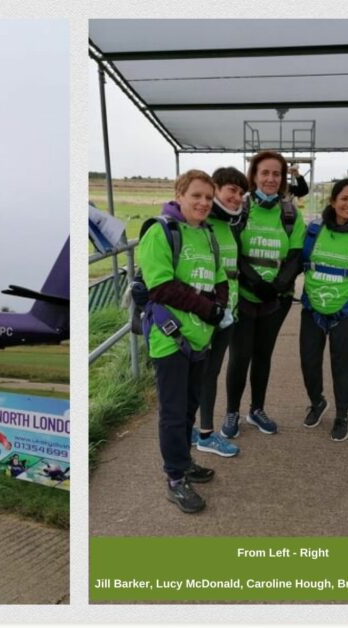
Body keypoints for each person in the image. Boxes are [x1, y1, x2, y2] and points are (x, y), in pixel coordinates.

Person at [137, 169, 231, 513]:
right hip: (171, 339)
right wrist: (209, 309)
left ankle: (184, 460)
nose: (204, 203)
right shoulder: (160, 232)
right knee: (174, 414)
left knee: (190, 407)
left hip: (200, 338)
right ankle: (175, 478)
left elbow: (220, 277)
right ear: (180, 194)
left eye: (209, 197)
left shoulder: (206, 235)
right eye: (197, 195)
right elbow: (160, 286)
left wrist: (220, 303)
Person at [222, 150, 305, 439]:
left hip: (276, 301)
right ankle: (232, 411)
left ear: (283, 179)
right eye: (265, 173)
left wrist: (279, 285)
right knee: (240, 355)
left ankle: (257, 409)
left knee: (263, 355)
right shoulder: (240, 209)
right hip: (243, 296)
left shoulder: (291, 213)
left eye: (277, 174)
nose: (271, 179)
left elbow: (296, 255)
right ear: (254, 176)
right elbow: (231, 250)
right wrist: (255, 282)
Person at [299, 179, 348, 442]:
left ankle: (342, 414)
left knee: (343, 367)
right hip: (312, 309)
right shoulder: (313, 230)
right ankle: (317, 401)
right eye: (344, 198)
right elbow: (300, 262)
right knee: (309, 362)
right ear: (333, 201)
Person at [193, 166, 246, 458]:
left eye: (241, 193)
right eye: (232, 190)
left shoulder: (229, 224)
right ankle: (205, 434)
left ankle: (198, 428)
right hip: (206, 314)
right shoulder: (202, 221)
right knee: (206, 374)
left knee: (207, 373)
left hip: (228, 311)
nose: (237, 198)